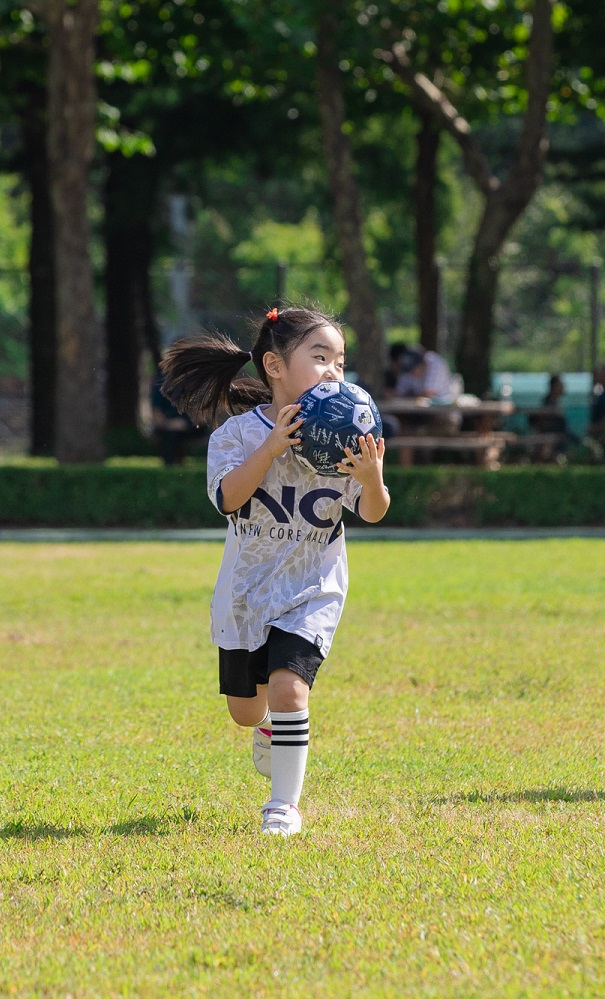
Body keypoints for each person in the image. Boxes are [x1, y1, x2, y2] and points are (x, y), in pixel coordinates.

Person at [158, 305, 390, 836]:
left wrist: (373, 478)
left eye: (340, 361)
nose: (335, 371)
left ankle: (283, 806)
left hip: (312, 589)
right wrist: (271, 447)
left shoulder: (350, 435)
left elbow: (373, 510)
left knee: (289, 690)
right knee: (246, 711)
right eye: (320, 356)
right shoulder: (237, 435)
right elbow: (228, 499)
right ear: (274, 365)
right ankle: (267, 731)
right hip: (246, 594)